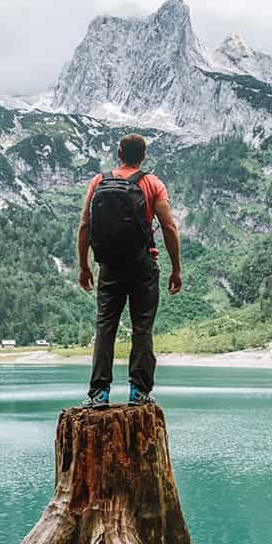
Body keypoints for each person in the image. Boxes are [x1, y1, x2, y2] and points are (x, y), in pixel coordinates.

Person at [77, 133, 182, 407]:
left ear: (119, 153)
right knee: (142, 328)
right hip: (143, 266)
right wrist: (176, 269)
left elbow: (85, 226)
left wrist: (84, 266)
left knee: (105, 328)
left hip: (109, 266)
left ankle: (99, 393)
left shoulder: (99, 181)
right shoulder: (152, 183)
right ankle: (139, 392)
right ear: (143, 156)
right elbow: (169, 228)